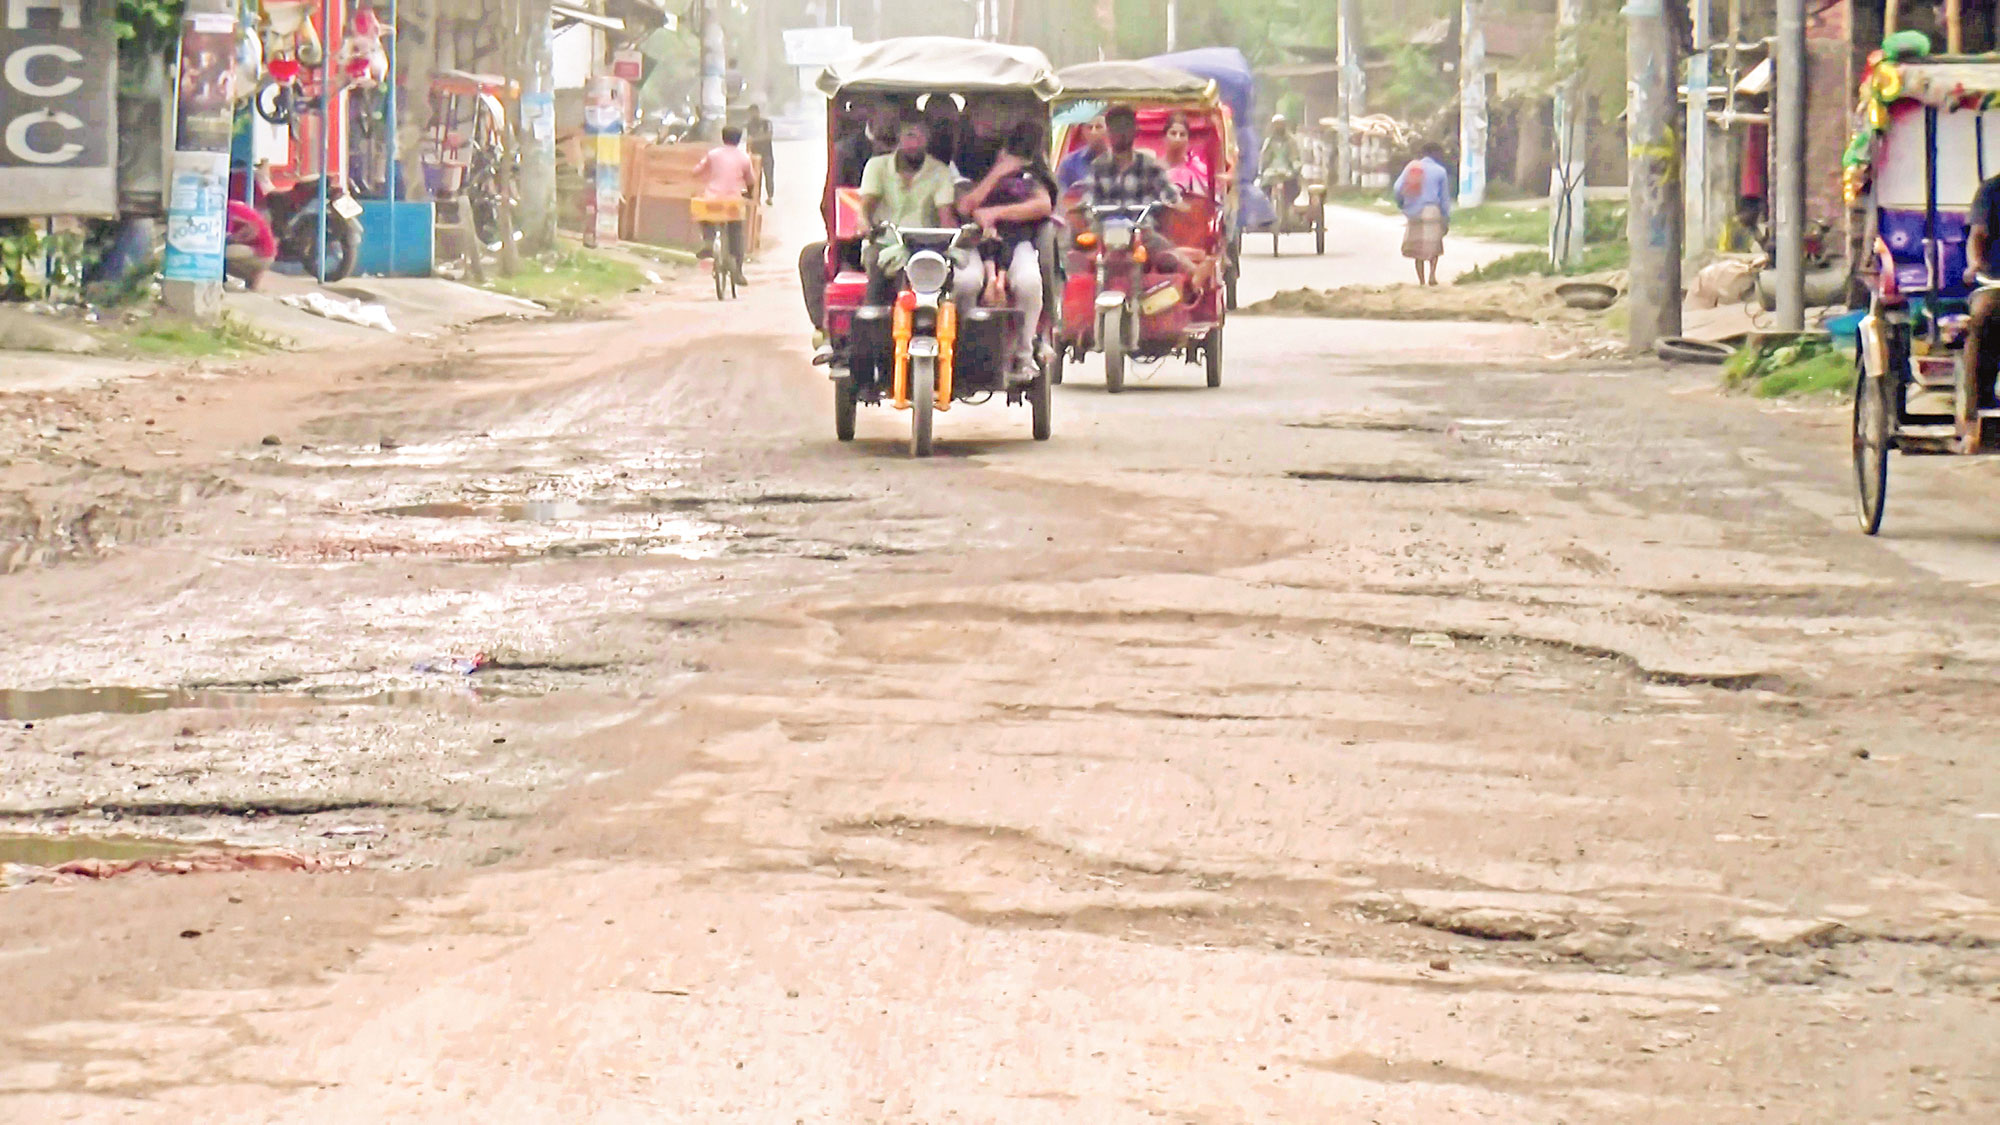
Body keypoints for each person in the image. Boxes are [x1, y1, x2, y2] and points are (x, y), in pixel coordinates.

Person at [959, 120, 1057, 382]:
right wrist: (997, 173)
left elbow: (1042, 205)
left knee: (1029, 282)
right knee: (965, 282)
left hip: (1018, 241)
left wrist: (996, 213)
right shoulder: (969, 171)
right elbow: (966, 206)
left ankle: (1024, 355)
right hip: (972, 243)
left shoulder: (1028, 177)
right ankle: (963, 352)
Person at [857, 115, 979, 307]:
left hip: (926, 245)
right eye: (910, 135)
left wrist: (959, 238)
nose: (915, 142)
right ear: (899, 137)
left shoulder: (940, 171)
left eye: (922, 137)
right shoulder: (877, 166)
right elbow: (866, 207)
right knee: (877, 265)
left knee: (951, 279)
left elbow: (945, 218)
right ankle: (874, 325)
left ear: (928, 140)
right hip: (886, 242)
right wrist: (864, 223)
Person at [1081, 104, 1183, 270]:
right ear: (1109, 132)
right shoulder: (1097, 166)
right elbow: (1088, 199)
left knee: (1170, 258)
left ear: (1135, 131)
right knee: (1077, 258)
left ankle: (1196, 276)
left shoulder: (1149, 165)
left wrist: (1170, 204)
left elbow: (1171, 197)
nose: (1120, 133)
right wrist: (1087, 211)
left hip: (1142, 232)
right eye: (1115, 128)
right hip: (1103, 233)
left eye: (1125, 126)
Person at [1963, 170, 2000, 448]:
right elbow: (1978, 235)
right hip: (1995, 282)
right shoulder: (1992, 191)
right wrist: (1975, 264)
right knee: (1982, 315)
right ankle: (1974, 414)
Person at [694, 124, 756, 286]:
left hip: (713, 199)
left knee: (703, 214)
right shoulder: (744, 158)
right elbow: (751, 181)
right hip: (733, 202)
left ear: (723, 137)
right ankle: (738, 272)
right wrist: (749, 194)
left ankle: (708, 241)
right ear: (739, 139)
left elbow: (697, 171)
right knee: (736, 232)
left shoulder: (713, 154)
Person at [1394, 140, 1452, 286]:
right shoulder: (1440, 171)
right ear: (1435, 154)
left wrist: (1402, 204)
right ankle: (1432, 275)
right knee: (1434, 246)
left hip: (1414, 211)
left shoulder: (1412, 168)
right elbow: (1444, 198)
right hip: (1432, 210)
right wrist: (1445, 217)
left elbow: (1397, 188)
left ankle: (1421, 281)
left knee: (1417, 247)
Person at [224, 199, 276, 290]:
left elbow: (251, 228)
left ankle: (253, 276)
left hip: (260, 251)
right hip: (267, 253)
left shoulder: (229, 210)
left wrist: (234, 239)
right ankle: (253, 279)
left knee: (218, 254)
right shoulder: (235, 207)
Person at [1056, 116, 1107, 197]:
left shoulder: (1122, 158)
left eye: (1098, 127)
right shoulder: (1070, 163)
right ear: (1083, 131)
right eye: (1089, 128)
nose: (1093, 132)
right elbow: (1061, 197)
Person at [1259, 114, 1303, 208]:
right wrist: (1261, 170)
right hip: (1272, 170)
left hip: (1287, 169)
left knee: (1293, 184)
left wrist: (1296, 167)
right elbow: (1264, 157)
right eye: (1276, 125)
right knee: (1264, 185)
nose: (1278, 127)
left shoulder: (1291, 141)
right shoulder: (1269, 141)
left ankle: (1288, 205)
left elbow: (1294, 157)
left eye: (1280, 124)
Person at [1162, 111, 1210, 197]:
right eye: (1173, 133)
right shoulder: (1153, 169)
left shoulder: (1198, 170)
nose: (1177, 139)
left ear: (1188, 139)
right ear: (1164, 137)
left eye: (1182, 134)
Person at [744, 104, 776, 204]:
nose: (753, 114)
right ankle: (756, 198)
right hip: (755, 155)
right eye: (751, 113)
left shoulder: (766, 123)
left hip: (767, 154)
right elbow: (749, 139)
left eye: (754, 112)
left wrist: (755, 139)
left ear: (758, 112)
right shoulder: (749, 125)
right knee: (756, 178)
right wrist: (748, 151)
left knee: (769, 176)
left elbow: (768, 136)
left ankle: (770, 197)